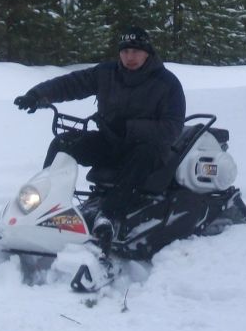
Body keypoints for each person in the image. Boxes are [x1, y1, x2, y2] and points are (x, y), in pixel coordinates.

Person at [14, 26, 185, 247]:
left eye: (135, 51)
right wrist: (37, 95)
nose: (129, 57)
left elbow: (172, 128)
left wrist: (129, 128)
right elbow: (72, 83)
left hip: (149, 149)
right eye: (124, 51)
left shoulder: (167, 84)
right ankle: (44, 203)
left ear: (148, 53)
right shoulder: (107, 73)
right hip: (111, 142)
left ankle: (110, 216)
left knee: (142, 155)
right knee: (63, 143)